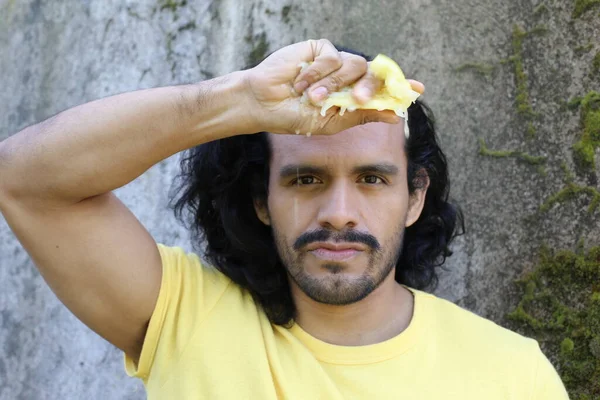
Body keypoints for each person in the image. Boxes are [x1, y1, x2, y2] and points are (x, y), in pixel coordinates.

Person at [0, 39, 568, 399]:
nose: (340, 214)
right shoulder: (186, 318)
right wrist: (241, 101)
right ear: (259, 200)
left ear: (415, 198)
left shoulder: (512, 375)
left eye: (372, 179)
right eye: (306, 179)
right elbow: (23, 179)